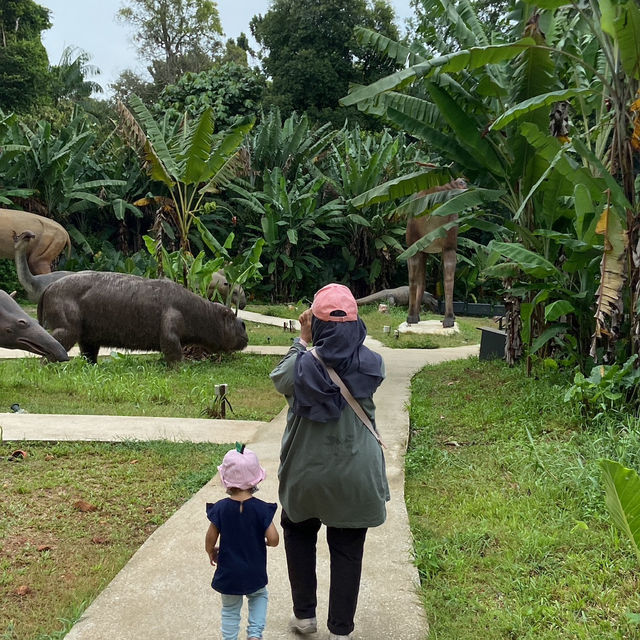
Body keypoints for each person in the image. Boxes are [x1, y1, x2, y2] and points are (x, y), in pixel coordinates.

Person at [270, 283, 389, 640]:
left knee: (298, 530)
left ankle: (305, 617)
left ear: (315, 325)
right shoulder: (372, 364)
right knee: (348, 547)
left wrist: (303, 338)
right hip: (356, 474)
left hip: (306, 476)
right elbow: (348, 356)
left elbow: (281, 376)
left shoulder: (300, 368)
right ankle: (341, 630)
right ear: (356, 326)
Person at [205, 445, 279, 640]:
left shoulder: (220, 509)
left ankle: (230, 638)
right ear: (256, 479)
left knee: (230, 609)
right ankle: (254, 635)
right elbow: (274, 539)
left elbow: (210, 537)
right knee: (259, 596)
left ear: (226, 480)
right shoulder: (262, 510)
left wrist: (211, 551)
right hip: (254, 569)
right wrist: (261, 541)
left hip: (228, 570)